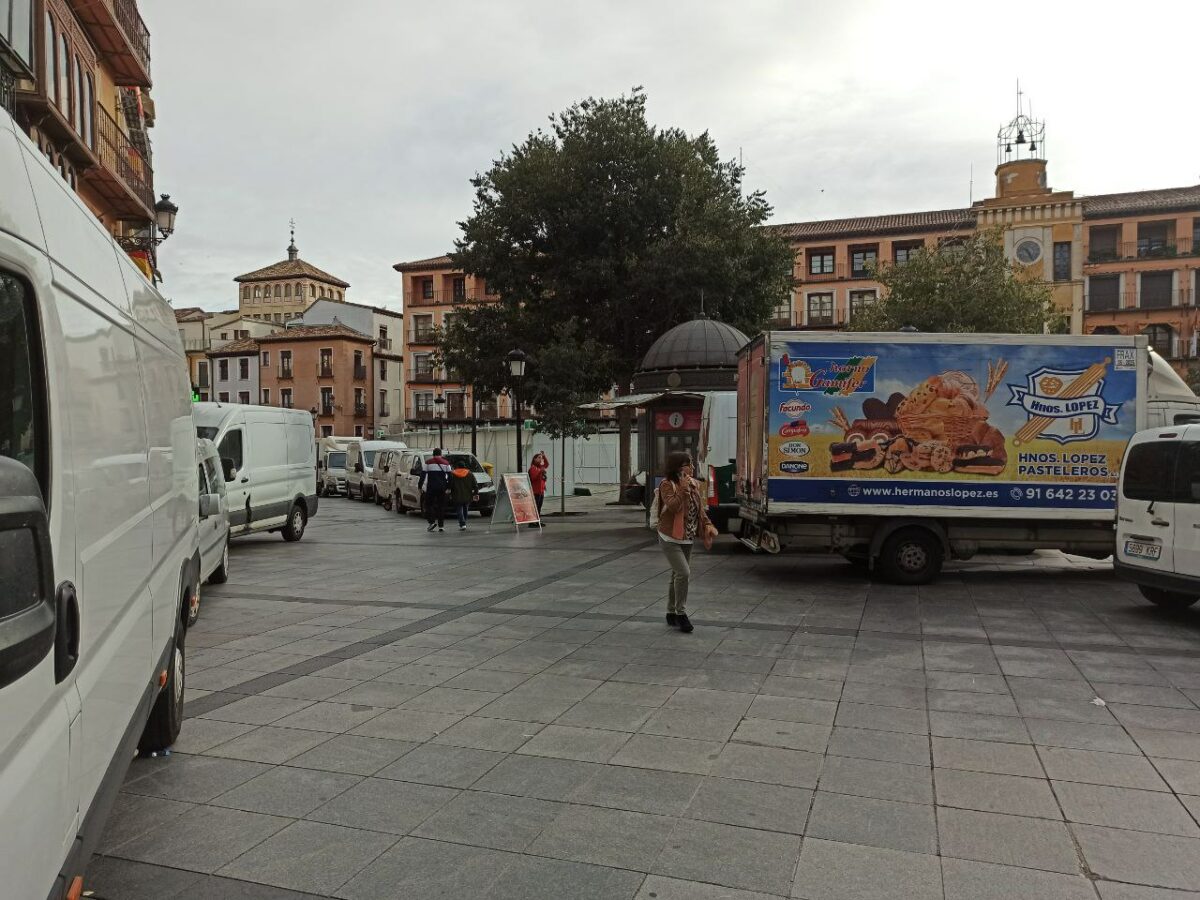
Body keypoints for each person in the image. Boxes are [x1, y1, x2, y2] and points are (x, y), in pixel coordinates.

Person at [653, 451, 717, 634]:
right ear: (678, 467)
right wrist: (682, 488)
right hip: (669, 536)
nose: (693, 467)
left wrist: (707, 524)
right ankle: (681, 614)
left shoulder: (693, 484)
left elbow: (699, 509)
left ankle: (670, 612)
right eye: (689, 464)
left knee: (677, 574)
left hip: (687, 536)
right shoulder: (667, 484)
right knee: (683, 572)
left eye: (692, 464)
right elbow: (673, 506)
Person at [419, 448, 453, 532]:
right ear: (441, 454)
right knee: (441, 506)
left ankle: (432, 522)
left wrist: (420, 486)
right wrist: (449, 487)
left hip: (431, 487)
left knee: (429, 504)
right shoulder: (446, 463)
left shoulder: (428, 462)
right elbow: (450, 476)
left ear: (433, 454)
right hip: (442, 488)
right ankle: (441, 526)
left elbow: (422, 475)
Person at [449, 459, 478, 531]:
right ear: (464, 466)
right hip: (468, 495)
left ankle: (462, 524)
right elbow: (475, 485)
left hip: (456, 495)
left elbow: (450, 484)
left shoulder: (453, 474)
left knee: (459, 510)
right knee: (465, 509)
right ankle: (464, 523)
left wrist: (448, 490)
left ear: (457, 466)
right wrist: (475, 493)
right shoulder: (470, 474)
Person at [528, 451, 549, 528]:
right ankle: (531, 523)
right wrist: (541, 472)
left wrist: (544, 456)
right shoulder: (533, 468)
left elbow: (547, 464)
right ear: (534, 459)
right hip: (535, 491)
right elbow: (533, 478)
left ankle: (537, 522)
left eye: (541, 458)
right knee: (535, 507)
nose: (541, 459)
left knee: (539, 507)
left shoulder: (540, 467)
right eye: (539, 458)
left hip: (541, 491)